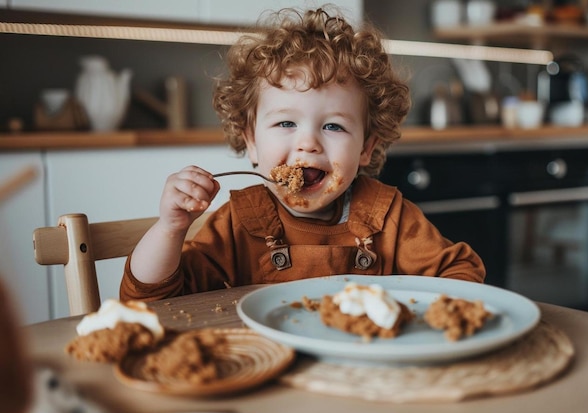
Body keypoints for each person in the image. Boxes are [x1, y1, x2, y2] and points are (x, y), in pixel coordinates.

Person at [120, 7, 485, 302]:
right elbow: (153, 299)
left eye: (333, 127)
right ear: (250, 142)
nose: (308, 143)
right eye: (285, 124)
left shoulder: (387, 217)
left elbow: (460, 275)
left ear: (366, 148)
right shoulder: (239, 223)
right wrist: (170, 229)